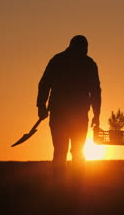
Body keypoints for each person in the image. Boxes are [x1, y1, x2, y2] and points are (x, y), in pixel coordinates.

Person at [37, 35, 101, 182]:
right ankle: (70, 184)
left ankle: (67, 183)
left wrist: (42, 106)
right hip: (70, 113)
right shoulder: (87, 63)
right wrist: (41, 105)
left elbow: (44, 83)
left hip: (65, 113)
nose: (85, 51)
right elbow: (45, 83)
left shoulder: (59, 60)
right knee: (68, 150)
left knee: (64, 150)